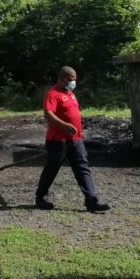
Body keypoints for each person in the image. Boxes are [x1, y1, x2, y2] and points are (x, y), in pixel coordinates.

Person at [35, 66, 110, 213]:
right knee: (51, 169)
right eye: (70, 80)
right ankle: (40, 197)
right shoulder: (53, 93)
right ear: (62, 78)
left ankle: (92, 201)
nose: (73, 82)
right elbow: (48, 114)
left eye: (74, 80)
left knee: (83, 168)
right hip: (58, 141)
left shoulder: (70, 93)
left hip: (76, 140)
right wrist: (64, 126)